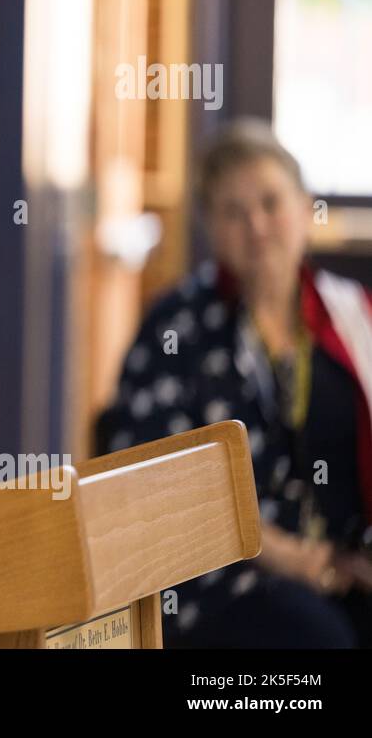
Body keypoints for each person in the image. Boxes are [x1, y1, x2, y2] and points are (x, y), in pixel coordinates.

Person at [96, 119, 372, 647]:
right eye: (234, 212)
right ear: (210, 227)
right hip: (227, 579)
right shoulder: (175, 329)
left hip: (344, 567)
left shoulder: (348, 314)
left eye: (271, 203)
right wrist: (288, 557)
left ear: (303, 205)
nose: (257, 226)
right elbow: (148, 488)